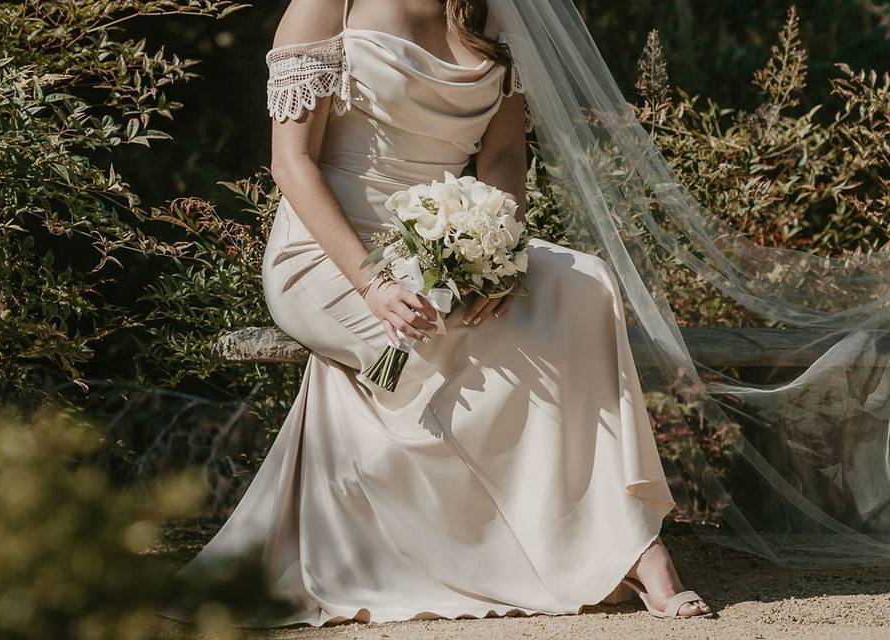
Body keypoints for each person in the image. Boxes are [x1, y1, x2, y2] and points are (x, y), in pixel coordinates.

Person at [171, 0, 715, 625]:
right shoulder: (329, 6)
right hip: (329, 251)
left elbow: (504, 158)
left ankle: (632, 543)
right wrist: (372, 280)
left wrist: (501, 251)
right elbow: (292, 163)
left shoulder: (496, 17)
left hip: (448, 239)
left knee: (582, 286)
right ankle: (564, 549)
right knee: (436, 337)